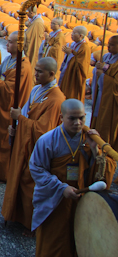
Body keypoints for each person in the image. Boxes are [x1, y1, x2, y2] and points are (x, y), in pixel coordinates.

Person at [29, 99, 116, 257]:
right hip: (56, 200)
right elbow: (36, 168)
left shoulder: (88, 139)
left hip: (81, 197)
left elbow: (99, 172)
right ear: (61, 117)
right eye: (72, 118)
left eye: (81, 118)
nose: (78, 123)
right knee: (54, 243)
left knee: (79, 240)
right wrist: (61, 188)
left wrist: (94, 149)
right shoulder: (47, 140)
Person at [2, 57, 66, 232]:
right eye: (35, 70)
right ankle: (16, 214)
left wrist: (20, 120)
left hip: (37, 149)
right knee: (18, 177)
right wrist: (16, 126)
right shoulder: (37, 89)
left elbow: (43, 131)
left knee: (30, 183)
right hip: (24, 142)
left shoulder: (56, 99)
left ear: (51, 74)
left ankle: (31, 222)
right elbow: (25, 112)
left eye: (39, 72)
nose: (35, 74)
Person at [0, 31, 33, 182]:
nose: (7, 44)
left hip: (8, 109)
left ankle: (3, 172)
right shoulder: (9, 59)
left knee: (4, 141)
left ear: (20, 45)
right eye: (7, 41)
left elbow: (9, 91)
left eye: (10, 42)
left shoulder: (23, 66)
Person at [90, 35, 118, 149]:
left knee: (106, 121)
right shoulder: (106, 56)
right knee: (97, 115)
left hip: (111, 98)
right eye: (108, 44)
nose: (108, 47)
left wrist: (103, 76)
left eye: (112, 45)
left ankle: (105, 147)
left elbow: (116, 84)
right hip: (101, 93)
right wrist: (98, 68)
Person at [59, 25, 90, 102]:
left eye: (74, 33)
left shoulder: (85, 48)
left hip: (74, 76)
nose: (71, 34)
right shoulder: (73, 44)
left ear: (80, 36)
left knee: (72, 94)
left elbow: (81, 65)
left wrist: (71, 54)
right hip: (67, 72)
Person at [39, 17, 66, 81]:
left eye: (53, 23)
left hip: (54, 60)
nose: (51, 25)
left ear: (59, 25)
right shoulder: (51, 33)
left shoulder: (60, 36)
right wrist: (46, 42)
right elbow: (47, 45)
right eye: (51, 23)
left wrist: (48, 42)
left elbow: (56, 50)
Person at [25, 7, 45, 71]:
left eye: (27, 12)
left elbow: (29, 35)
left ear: (31, 13)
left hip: (34, 45)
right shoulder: (34, 20)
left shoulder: (38, 22)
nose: (26, 14)